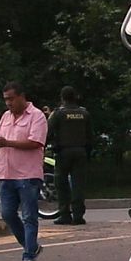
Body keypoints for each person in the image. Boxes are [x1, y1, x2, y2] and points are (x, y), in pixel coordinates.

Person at [0, 81, 48, 261]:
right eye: (6, 99)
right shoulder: (5, 117)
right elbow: (1, 139)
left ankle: (28, 257)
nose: (8, 103)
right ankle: (31, 246)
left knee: (29, 216)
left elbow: (35, 142)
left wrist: (7, 142)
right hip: (6, 173)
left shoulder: (37, 116)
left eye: (11, 99)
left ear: (22, 97)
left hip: (27, 174)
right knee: (7, 214)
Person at [49, 86, 93, 225]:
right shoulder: (84, 113)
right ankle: (78, 215)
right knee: (78, 184)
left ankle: (65, 214)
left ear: (62, 98)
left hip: (63, 152)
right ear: (75, 97)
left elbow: (48, 131)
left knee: (61, 183)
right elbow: (90, 135)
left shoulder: (58, 114)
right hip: (80, 152)